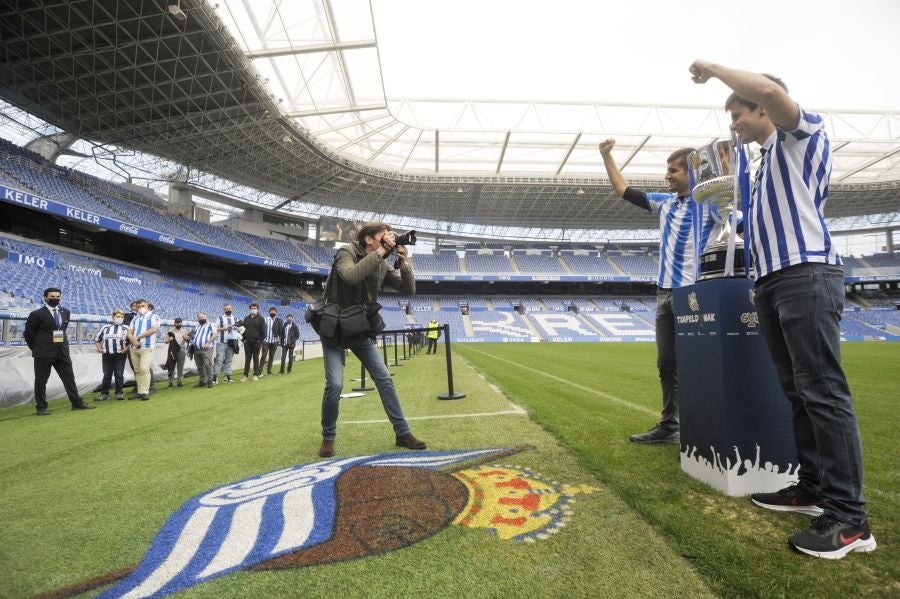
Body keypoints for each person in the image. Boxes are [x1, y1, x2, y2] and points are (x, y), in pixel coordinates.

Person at [689, 59, 875, 559]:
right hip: (771, 280)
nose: (734, 124)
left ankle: (851, 520)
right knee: (798, 391)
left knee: (823, 391)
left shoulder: (801, 135)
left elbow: (770, 88)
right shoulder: (757, 164)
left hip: (806, 271)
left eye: (739, 113)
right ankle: (812, 487)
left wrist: (713, 68)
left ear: (765, 109)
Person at [599, 139, 723, 444]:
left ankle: (708, 428)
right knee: (667, 363)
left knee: (698, 362)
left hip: (694, 293)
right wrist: (607, 156)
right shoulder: (665, 203)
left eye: (673, 170)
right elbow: (624, 191)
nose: (667, 176)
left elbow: (737, 221)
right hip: (664, 294)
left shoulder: (710, 203)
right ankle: (670, 426)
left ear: (691, 172)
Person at [317, 222, 427, 458]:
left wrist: (403, 263)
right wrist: (381, 253)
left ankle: (402, 432)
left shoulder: (382, 263)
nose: (389, 239)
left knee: (384, 378)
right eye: (384, 236)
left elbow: (409, 290)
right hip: (334, 325)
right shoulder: (346, 252)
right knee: (335, 384)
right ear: (369, 239)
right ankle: (328, 437)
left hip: (359, 327)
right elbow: (350, 276)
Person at [23, 287, 96, 415]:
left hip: (62, 351)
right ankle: (41, 407)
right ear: (45, 297)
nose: (55, 299)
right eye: (52, 297)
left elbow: (62, 330)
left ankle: (77, 403)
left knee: (69, 378)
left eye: (58, 297)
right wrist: (36, 348)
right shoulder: (37, 314)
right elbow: (28, 334)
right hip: (43, 353)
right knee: (41, 381)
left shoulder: (65, 312)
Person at [126, 298, 159, 401]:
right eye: (138, 306)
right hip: (134, 348)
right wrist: (132, 339)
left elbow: (154, 329)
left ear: (148, 306)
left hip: (147, 347)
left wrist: (138, 337)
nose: (140, 308)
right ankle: (140, 391)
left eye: (142, 306)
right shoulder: (135, 318)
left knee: (144, 369)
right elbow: (129, 331)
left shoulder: (154, 316)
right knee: (137, 370)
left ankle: (145, 391)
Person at [94, 308, 129, 400]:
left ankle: (119, 393)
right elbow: (97, 339)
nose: (120, 318)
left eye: (121, 317)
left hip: (120, 355)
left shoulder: (126, 328)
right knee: (107, 374)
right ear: (113, 317)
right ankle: (104, 394)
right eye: (118, 316)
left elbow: (131, 341)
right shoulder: (105, 328)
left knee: (119, 374)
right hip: (107, 355)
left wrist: (125, 349)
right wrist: (100, 349)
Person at [237, 302, 265, 381]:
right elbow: (242, 330)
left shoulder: (261, 318)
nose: (253, 309)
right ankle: (245, 375)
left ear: (257, 309)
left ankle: (256, 374)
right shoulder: (246, 318)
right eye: (252, 308)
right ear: (250, 309)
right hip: (247, 343)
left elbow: (264, 332)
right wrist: (243, 340)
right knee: (247, 359)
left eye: (255, 308)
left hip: (256, 342)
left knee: (256, 358)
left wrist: (259, 341)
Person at [212, 304, 239, 384]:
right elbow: (215, 329)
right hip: (221, 342)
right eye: (226, 309)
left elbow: (239, 330)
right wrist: (223, 328)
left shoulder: (235, 318)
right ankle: (215, 377)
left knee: (229, 360)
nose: (228, 310)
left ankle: (227, 377)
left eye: (229, 308)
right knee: (219, 360)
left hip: (232, 343)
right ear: (224, 310)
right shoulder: (220, 318)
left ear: (232, 308)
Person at [191, 312, 216, 388]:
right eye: (199, 318)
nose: (201, 319)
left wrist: (208, 342)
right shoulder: (197, 326)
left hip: (207, 348)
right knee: (199, 366)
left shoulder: (210, 324)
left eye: (202, 317)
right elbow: (193, 336)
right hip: (196, 349)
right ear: (197, 319)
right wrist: (188, 338)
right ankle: (202, 381)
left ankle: (210, 381)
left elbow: (215, 334)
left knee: (207, 364)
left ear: (206, 317)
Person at [259, 306, 283, 376]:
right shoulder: (265, 319)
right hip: (266, 341)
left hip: (274, 341)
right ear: (269, 312)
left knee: (271, 356)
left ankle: (269, 371)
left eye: (274, 312)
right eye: (271, 311)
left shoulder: (279, 320)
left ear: (276, 312)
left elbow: (280, 331)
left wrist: (279, 339)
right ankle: (259, 371)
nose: (272, 313)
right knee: (263, 355)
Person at [167, 318, 189, 388]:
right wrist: (169, 340)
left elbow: (188, 341)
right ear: (174, 323)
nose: (178, 324)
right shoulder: (170, 330)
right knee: (171, 366)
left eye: (179, 322)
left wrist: (186, 338)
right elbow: (165, 341)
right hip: (172, 350)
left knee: (180, 367)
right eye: (177, 322)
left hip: (181, 349)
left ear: (181, 323)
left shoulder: (185, 330)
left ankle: (179, 382)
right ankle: (170, 382)